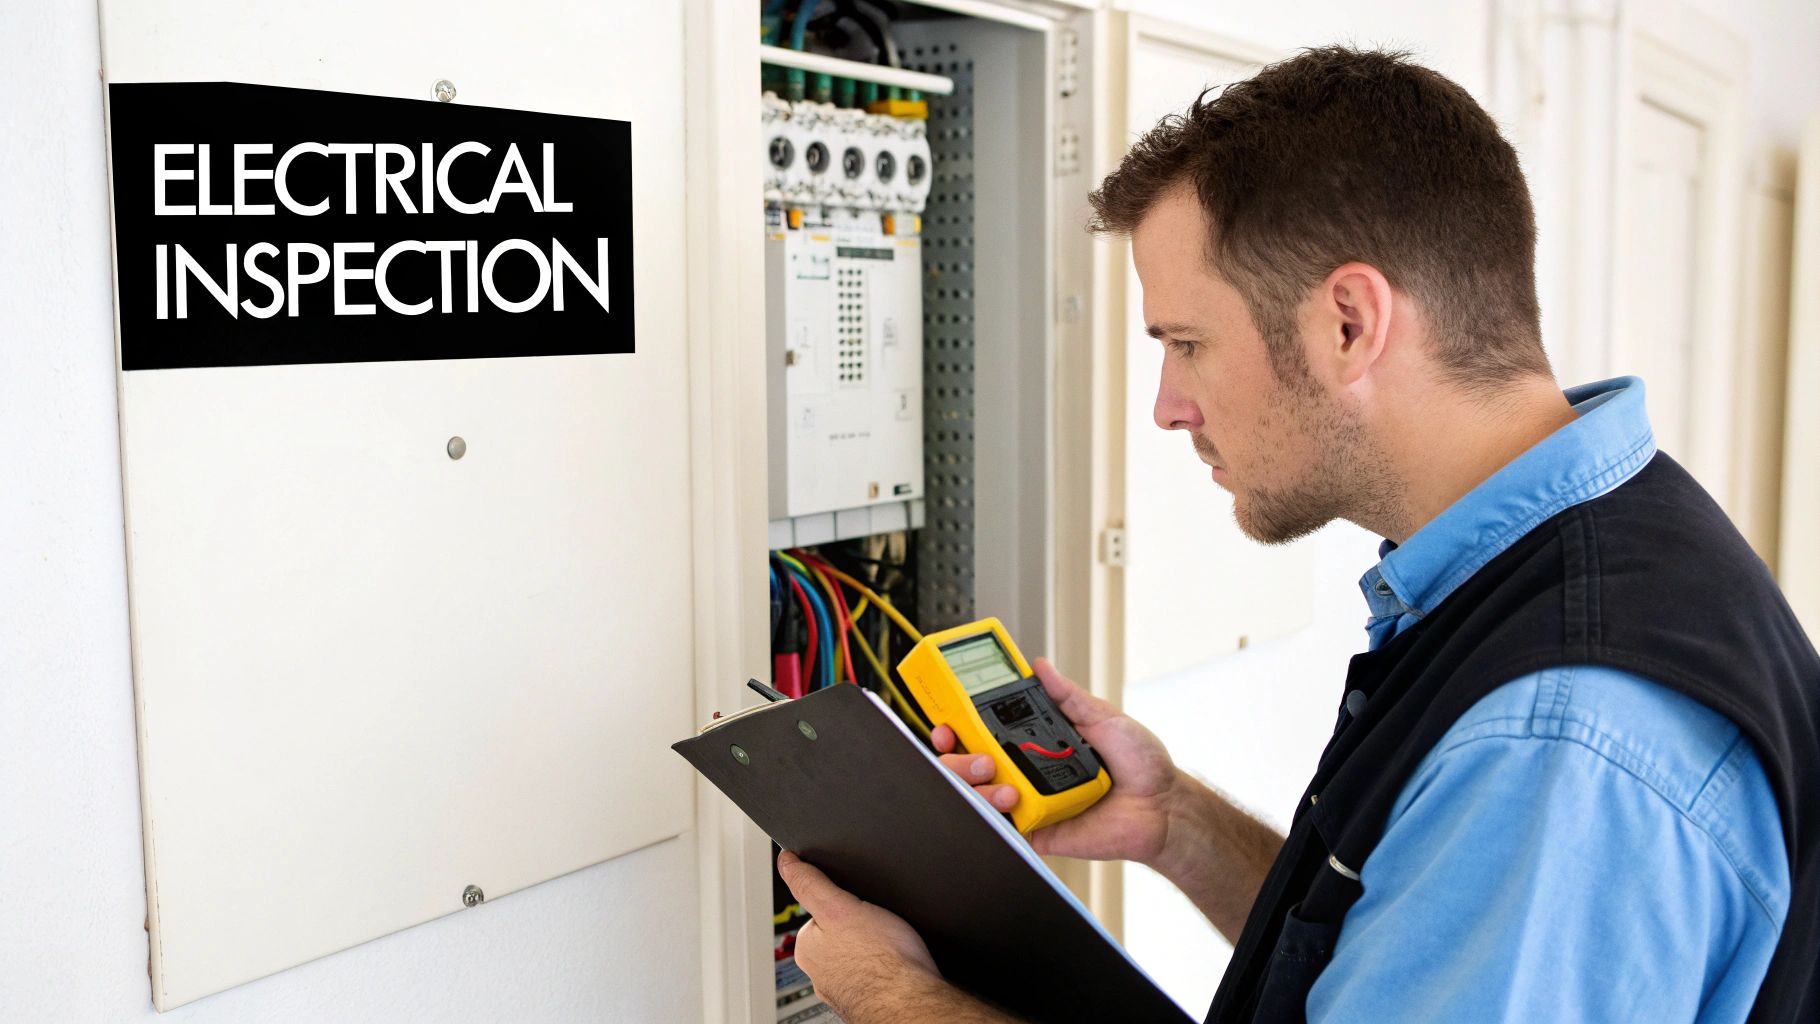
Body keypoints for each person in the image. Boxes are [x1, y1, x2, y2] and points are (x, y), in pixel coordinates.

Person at [777, 46, 1819, 1023]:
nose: (1167, 405)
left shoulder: (1555, 737)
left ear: (1347, 324)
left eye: (1187, 342)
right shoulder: (1599, 546)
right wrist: (1174, 821)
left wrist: (897, 999)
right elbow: (1398, 936)